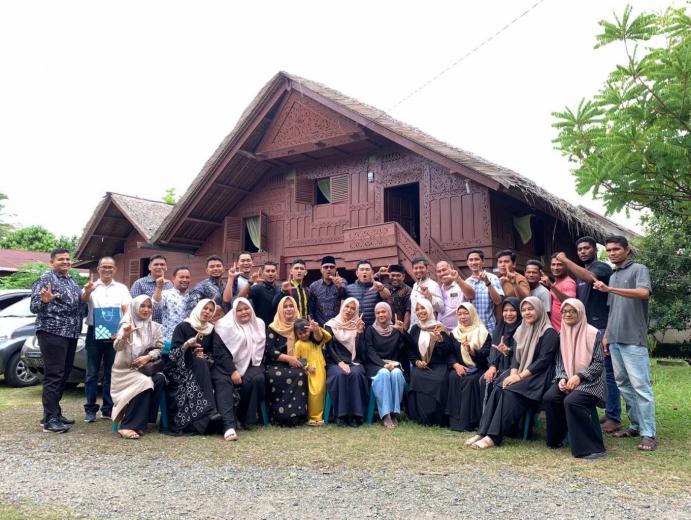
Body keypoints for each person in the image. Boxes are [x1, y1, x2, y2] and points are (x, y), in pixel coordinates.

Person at [466, 297, 559, 449]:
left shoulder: (549, 333)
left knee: (509, 392)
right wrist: (513, 375)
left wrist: (519, 377)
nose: (527, 313)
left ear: (539, 310)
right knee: (499, 387)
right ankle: (482, 432)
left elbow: (543, 362)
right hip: (522, 373)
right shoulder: (522, 329)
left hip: (539, 378)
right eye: (524, 310)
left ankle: (493, 437)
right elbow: (516, 356)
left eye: (530, 309)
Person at [594, 235, 656, 451]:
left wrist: (610, 289)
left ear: (627, 250)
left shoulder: (639, 269)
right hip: (615, 339)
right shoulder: (613, 276)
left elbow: (644, 293)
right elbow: (612, 309)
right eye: (609, 250)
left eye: (616, 249)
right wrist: (606, 335)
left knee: (641, 386)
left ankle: (649, 433)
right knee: (623, 385)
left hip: (633, 339)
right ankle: (636, 425)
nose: (612, 253)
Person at [555, 237, 620, 433]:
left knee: (607, 373)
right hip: (586, 330)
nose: (583, 251)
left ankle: (613, 416)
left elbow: (590, 278)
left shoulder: (602, 268)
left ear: (595, 250)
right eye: (580, 249)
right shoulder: (579, 276)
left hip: (601, 328)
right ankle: (608, 411)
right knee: (591, 370)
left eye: (586, 248)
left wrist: (565, 260)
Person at [543, 299, 606, 459]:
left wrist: (579, 376)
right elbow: (559, 362)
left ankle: (592, 448)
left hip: (591, 382)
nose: (568, 314)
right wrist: (562, 378)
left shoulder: (593, 333)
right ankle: (557, 439)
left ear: (580, 313)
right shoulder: (561, 334)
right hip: (568, 378)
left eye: (572, 311)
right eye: (564, 311)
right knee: (550, 397)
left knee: (572, 401)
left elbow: (599, 363)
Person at [30, 248, 85, 433]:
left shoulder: (72, 281)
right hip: (52, 332)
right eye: (61, 259)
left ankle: (54, 412)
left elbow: (79, 306)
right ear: (52, 262)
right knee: (54, 374)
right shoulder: (46, 279)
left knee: (64, 374)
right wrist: (44, 301)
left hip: (71, 333)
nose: (66, 262)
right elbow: (33, 306)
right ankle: (50, 420)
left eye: (68, 259)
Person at [80, 257, 132, 422]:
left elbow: (127, 310)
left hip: (115, 333)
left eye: (110, 267)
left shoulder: (122, 288)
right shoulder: (91, 286)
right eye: (104, 267)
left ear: (115, 269)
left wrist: (122, 330)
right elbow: (83, 299)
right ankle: (90, 409)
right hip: (94, 331)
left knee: (111, 372)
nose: (107, 270)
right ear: (98, 269)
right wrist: (88, 291)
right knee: (92, 373)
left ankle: (108, 409)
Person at [111, 295, 166, 439]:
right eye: (142, 306)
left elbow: (160, 347)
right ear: (135, 307)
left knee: (159, 379)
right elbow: (117, 347)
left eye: (149, 307)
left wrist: (148, 357)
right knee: (144, 382)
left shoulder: (154, 327)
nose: (146, 309)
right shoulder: (127, 324)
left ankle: (142, 422)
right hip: (125, 371)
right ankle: (127, 426)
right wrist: (124, 336)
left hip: (143, 368)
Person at [165, 299, 219, 435]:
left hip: (201, 369)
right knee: (199, 365)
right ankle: (210, 412)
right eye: (205, 308)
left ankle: (205, 421)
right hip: (179, 370)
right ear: (198, 308)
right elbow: (172, 357)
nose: (207, 312)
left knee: (202, 363)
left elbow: (214, 354)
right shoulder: (183, 327)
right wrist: (187, 346)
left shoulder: (211, 330)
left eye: (211, 310)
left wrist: (205, 356)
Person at [214, 297, 266, 431]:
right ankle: (235, 418)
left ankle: (245, 419)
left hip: (254, 363)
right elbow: (220, 352)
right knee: (236, 381)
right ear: (233, 312)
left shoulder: (259, 323)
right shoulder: (225, 326)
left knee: (256, 379)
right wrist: (233, 370)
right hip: (230, 365)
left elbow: (260, 350)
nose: (244, 312)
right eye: (239, 310)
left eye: (246, 308)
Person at [406, 299, 454, 426]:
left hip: (439, 365)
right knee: (416, 375)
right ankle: (420, 417)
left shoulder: (439, 327)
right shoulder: (415, 328)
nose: (420, 311)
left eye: (423, 308)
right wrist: (416, 362)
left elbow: (448, 351)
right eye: (417, 309)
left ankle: (437, 419)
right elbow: (410, 350)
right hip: (422, 365)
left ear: (429, 309)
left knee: (439, 380)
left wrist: (440, 340)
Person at [446, 302, 491, 432]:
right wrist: (456, 365)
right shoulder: (455, 333)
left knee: (470, 381)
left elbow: (487, 354)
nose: (463, 317)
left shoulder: (483, 332)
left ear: (472, 314)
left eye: (466, 313)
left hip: (479, 367)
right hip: (460, 367)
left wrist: (472, 351)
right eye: (459, 314)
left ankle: (470, 422)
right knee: (453, 377)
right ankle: (455, 422)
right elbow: (450, 354)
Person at [324, 297, 369, 426]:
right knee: (340, 374)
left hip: (354, 361)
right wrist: (340, 363)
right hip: (335, 361)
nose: (349, 310)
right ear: (342, 308)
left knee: (356, 374)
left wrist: (359, 333)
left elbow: (361, 352)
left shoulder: (358, 325)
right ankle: (341, 415)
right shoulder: (330, 325)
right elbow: (329, 348)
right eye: (347, 307)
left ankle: (356, 415)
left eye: (353, 308)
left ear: (356, 311)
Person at [364, 302, 409, 429]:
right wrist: (383, 365)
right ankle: (385, 414)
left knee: (397, 373)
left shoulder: (395, 330)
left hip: (393, 364)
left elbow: (406, 348)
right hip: (375, 365)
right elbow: (370, 351)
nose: (380, 315)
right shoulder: (370, 330)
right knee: (384, 374)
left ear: (389, 313)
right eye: (377, 313)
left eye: (383, 311)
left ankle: (394, 412)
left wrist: (402, 332)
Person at [264, 296, 308, 426]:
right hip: (276, 363)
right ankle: (279, 416)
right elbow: (270, 351)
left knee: (301, 374)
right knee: (276, 376)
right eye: (285, 306)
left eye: (291, 306)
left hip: (297, 362)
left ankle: (297, 416)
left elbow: (311, 342)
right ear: (280, 309)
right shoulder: (273, 327)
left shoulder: (300, 325)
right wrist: (289, 359)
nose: (289, 309)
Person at [479, 298, 522, 405]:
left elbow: (520, 354)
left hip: (516, 368)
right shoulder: (500, 328)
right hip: (499, 365)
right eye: (505, 310)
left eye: (512, 310)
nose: (508, 314)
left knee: (498, 384)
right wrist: (492, 366)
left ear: (519, 311)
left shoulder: (523, 329)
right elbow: (494, 348)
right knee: (485, 379)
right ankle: (485, 414)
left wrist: (508, 351)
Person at [293, 317, 332, 426]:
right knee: (312, 392)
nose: (303, 335)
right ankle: (312, 417)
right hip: (309, 371)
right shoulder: (298, 344)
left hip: (319, 368)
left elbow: (327, 336)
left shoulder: (316, 340)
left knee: (319, 391)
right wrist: (306, 367)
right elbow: (297, 359)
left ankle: (318, 416)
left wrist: (316, 329)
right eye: (300, 334)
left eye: (305, 332)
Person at [463, 249, 504, 334]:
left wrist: (487, 282)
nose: (473, 262)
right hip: (472, 330)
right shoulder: (466, 282)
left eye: (476, 259)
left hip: (489, 328)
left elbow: (498, 301)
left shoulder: (492, 278)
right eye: (471, 260)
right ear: (467, 263)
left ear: (483, 262)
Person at [344, 260, 391, 326]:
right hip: (355, 327)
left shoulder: (377, 286)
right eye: (362, 269)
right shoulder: (348, 289)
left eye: (367, 269)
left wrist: (381, 289)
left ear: (372, 273)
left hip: (374, 327)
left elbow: (387, 296)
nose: (364, 272)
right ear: (357, 273)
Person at [130, 254, 173, 323]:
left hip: (166, 325)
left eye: (162, 264)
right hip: (146, 324)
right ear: (149, 267)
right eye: (156, 264)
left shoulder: (169, 284)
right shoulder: (139, 283)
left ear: (166, 267)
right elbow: (133, 306)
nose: (159, 267)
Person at [153, 266, 192, 343]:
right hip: (169, 341)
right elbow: (156, 305)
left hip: (188, 341)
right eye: (182, 277)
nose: (185, 280)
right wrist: (159, 287)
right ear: (173, 279)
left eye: (187, 277)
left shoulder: (193, 296)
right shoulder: (166, 294)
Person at [540, 254, 577, 332]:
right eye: (553, 264)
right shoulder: (555, 283)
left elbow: (570, 303)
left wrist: (551, 286)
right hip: (556, 330)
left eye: (559, 265)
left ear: (566, 266)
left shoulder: (568, 282)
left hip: (566, 331)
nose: (555, 267)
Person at [308, 255, 348, 326]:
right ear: (321, 270)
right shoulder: (314, 286)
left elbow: (346, 298)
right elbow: (311, 308)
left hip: (337, 325)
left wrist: (339, 287)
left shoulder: (342, 282)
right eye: (326, 267)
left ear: (335, 269)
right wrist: (313, 323)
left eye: (331, 267)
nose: (329, 269)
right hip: (320, 326)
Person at [436, 260, 475, 329]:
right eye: (439, 271)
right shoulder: (438, 289)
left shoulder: (461, 286)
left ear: (452, 269)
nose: (442, 273)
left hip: (458, 331)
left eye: (444, 270)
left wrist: (458, 280)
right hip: (442, 331)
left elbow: (471, 295)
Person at [409, 256, 443, 327]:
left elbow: (441, 308)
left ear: (427, 269)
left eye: (421, 267)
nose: (418, 270)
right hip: (415, 327)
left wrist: (429, 297)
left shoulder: (433, 285)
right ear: (412, 270)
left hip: (429, 327)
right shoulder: (415, 285)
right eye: (416, 268)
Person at [381, 264, 412, 330]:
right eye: (392, 275)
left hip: (399, 327)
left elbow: (408, 311)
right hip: (384, 327)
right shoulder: (384, 288)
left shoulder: (408, 290)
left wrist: (404, 330)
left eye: (398, 275)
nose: (395, 278)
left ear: (403, 276)